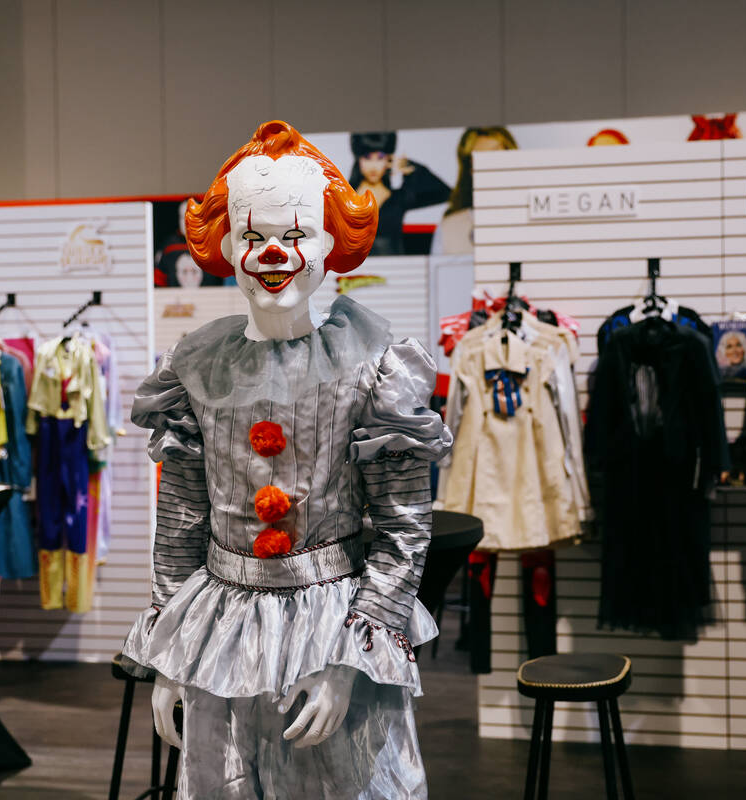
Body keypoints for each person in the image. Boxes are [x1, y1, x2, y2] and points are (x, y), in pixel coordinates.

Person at [119, 120, 452, 799]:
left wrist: (348, 660)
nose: (273, 252)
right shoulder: (197, 369)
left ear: (331, 242)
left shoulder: (373, 367)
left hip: (334, 622)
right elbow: (180, 522)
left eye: (295, 234)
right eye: (252, 235)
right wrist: (170, 657)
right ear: (227, 245)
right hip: (221, 627)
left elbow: (403, 528)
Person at [349, 131, 449, 256]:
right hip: (353, 272)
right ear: (359, 159)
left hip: (395, 270)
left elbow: (444, 193)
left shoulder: (399, 199)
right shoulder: (345, 198)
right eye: (367, 157)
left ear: (389, 159)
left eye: (380, 157)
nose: (373, 166)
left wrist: (411, 167)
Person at [432, 126, 517, 256]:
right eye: (482, 161)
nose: (493, 168)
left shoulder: (531, 222)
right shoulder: (449, 228)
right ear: (470, 170)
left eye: (498, 158)